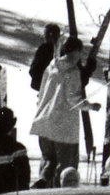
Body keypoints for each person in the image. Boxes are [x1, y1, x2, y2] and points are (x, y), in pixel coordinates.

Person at [28, 30, 89, 185]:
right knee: (66, 168)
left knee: (49, 162)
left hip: (44, 123)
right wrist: (90, 106)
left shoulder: (51, 67)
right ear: (75, 52)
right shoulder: (73, 71)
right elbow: (73, 99)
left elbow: (41, 93)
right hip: (64, 128)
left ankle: (42, 184)